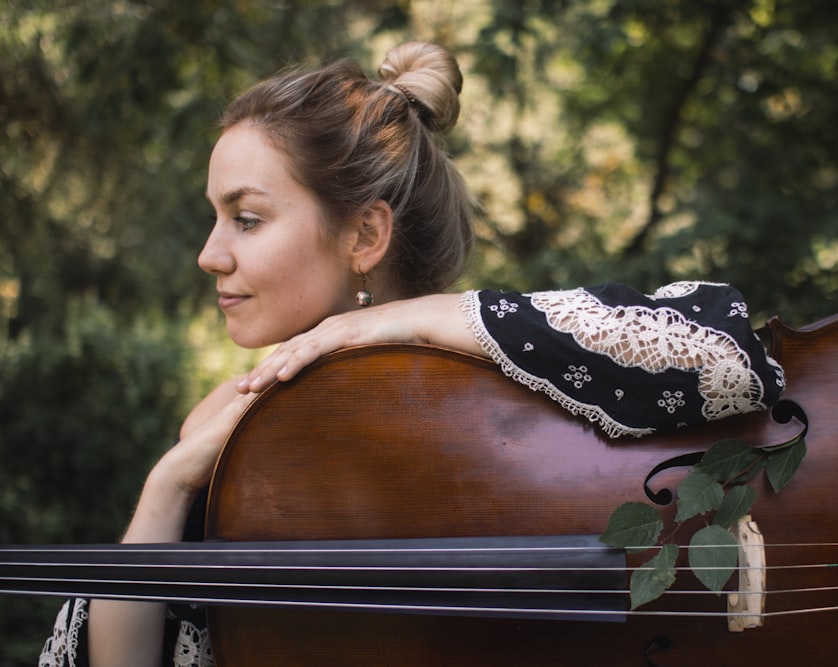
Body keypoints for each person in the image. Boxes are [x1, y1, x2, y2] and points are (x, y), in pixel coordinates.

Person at [38, 42, 785, 667]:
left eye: (247, 218)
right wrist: (168, 485)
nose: (209, 255)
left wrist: (410, 321)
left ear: (365, 236)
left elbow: (728, 360)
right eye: (216, 219)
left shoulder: (503, 368)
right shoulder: (238, 431)